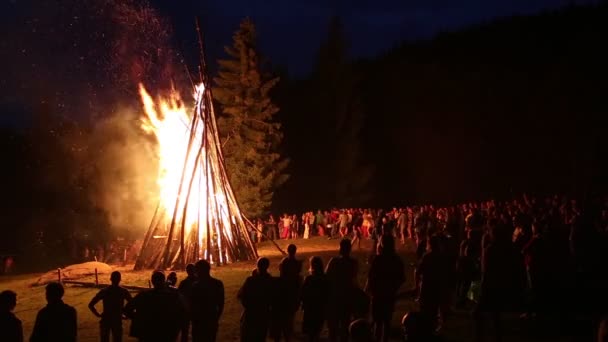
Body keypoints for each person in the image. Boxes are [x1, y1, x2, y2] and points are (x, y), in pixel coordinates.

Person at [124, 271, 186, 342]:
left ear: (152, 281)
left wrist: (138, 317)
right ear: (164, 281)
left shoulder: (143, 296)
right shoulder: (173, 297)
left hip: (147, 332)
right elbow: (183, 312)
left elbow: (127, 309)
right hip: (166, 332)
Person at [366, 235, 406, 342]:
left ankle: (378, 338)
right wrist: (394, 287)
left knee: (378, 322)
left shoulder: (378, 259)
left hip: (378, 294)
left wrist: (369, 289)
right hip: (389, 294)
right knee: (387, 321)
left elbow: (371, 276)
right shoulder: (396, 260)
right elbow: (402, 278)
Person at [326, 238, 359, 342]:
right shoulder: (353, 263)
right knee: (345, 324)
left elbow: (326, 276)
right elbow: (354, 278)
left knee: (333, 326)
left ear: (341, 248)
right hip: (347, 296)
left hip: (335, 296)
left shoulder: (334, 261)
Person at [88, 271, 133, 342]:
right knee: (117, 339)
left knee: (104, 339)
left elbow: (91, 304)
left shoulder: (104, 291)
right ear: (120, 279)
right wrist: (127, 314)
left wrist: (98, 314)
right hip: (117, 320)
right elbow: (132, 304)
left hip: (106, 319)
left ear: (110, 279)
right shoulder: (124, 291)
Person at [238, 257, 275, 342]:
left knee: (247, 336)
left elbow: (241, 295)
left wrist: (246, 306)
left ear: (257, 265)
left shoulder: (251, 280)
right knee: (260, 336)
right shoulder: (270, 280)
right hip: (264, 313)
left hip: (251, 313)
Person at [272, 244, 303, 342]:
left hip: (285, 287)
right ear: (295, 251)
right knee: (290, 311)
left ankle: (287, 329)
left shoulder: (285, 262)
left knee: (286, 310)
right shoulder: (297, 263)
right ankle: (289, 328)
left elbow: (281, 272)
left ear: (288, 250)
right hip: (293, 288)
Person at [190, 259, 224, 342]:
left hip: (199, 321)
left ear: (198, 271)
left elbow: (192, 305)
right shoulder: (218, 284)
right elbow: (221, 303)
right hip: (211, 318)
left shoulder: (195, 286)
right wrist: (216, 316)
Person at [301, 256, 328, 342]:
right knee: (317, 329)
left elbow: (303, 293)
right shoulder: (324, 278)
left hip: (310, 308)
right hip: (320, 307)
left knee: (311, 331)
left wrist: (303, 303)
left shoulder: (309, 279)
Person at [178, 263, 197, 342]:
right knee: (195, 330)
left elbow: (179, 296)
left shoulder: (184, 283)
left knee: (185, 330)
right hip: (195, 308)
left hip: (187, 309)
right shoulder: (199, 281)